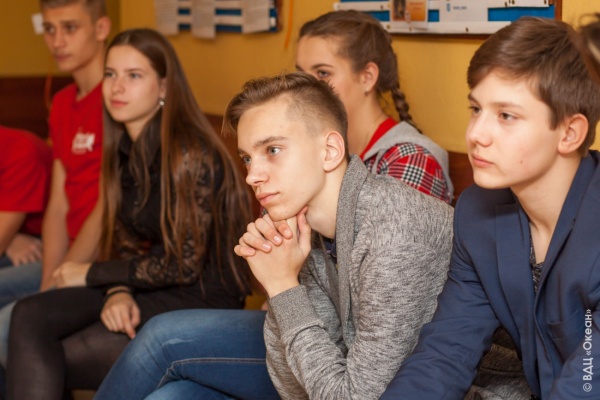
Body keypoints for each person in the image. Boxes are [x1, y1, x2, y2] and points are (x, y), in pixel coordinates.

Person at [95, 72, 453, 399]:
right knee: (172, 397)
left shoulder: (394, 231)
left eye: (273, 150)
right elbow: (292, 385)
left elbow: (352, 397)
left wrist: (282, 287)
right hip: (336, 378)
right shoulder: (303, 221)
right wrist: (281, 282)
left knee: (165, 341)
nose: (252, 176)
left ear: (330, 151)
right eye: (247, 158)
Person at [6, 28, 253, 400]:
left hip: (199, 297)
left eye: (134, 75)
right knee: (29, 314)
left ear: (164, 86)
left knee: (49, 351)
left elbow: (183, 266)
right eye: (111, 74)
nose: (117, 87)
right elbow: (124, 240)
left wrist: (92, 273)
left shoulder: (189, 152)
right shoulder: (126, 147)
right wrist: (118, 289)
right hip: (149, 284)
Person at [381, 17, 600, 400]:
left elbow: (586, 383)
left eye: (506, 116)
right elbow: (446, 352)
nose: (476, 134)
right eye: (476, 108)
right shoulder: (477, 213)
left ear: (569, 133)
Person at [0, 0, 110, 370]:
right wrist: (50, 278)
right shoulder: (62, 102)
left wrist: (64, 274)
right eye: (49, 29)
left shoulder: (118, 96)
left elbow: (109, 203)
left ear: (101, 29)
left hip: (103, 260)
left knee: (6, 328)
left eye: (70, 28)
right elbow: (59, 204)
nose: (57, 41)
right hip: (63, 253)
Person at [296, 10, 453, 203]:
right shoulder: (309, 148)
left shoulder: (412, 158)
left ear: (367, 77)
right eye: (301, 74)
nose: (305, 87)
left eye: (323, 73)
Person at [0, 126, 52, 269]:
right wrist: (12, 238)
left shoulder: (19, 152)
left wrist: (7, 237)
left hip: (47, 239)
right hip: (15, 233)